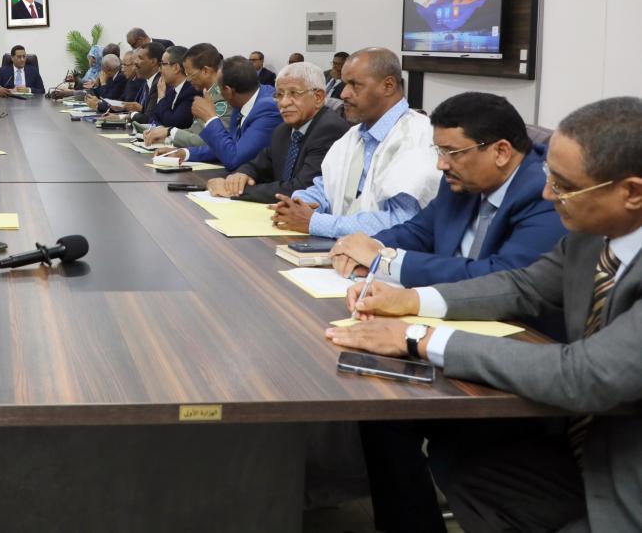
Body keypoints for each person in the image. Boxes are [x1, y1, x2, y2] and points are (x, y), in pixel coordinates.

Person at [326, 96, 642, 533]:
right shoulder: (592, 236)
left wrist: (419, 338)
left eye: (565, 186)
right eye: (550, 178)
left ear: (632, 193)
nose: (548, 194)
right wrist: (411, 301)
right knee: (456, 459)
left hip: (626, 472)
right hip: (577, 440)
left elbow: (584, 374)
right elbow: (523, 286)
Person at [329, 92, 567, 287]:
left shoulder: (547, 194)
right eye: (439, 152)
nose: (441, 165)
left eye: (452, 153)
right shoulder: (461, 181)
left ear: (501, 152)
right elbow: (419, 232)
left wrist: (386, 262)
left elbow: (501, 277)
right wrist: (365, 248)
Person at [272, 47, 439, 237]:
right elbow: (325, 188)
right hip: (342, 247)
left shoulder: (417, 137)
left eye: (354, 85)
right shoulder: (354, 136)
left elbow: (402, 221)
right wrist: (297, 204)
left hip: (384, 253)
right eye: (344, 84)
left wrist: (315, 222)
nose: (344, 94)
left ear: (388, 86)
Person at [208, 62, 348, 202]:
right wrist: (241, 175)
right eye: (279, 95)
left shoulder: (329, 129)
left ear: (318, 97)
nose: (284, 103)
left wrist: (236, 191)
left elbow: (302, 189)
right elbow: (258, 165)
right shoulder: (282, 130)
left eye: (294, 93)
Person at [156, 56, 282, 171]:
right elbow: (229, 145)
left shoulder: (268, 109)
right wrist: (185, 153)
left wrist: (210, 118)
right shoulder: (241, 101)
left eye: (219, 88)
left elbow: (234, 159)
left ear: (228, 90)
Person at [143, 42, 229, 149]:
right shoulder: (207, 92)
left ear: (205, 71)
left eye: (190, 74)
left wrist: (170, 132)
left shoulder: (223, 96)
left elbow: (214, 141)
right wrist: (166, 137)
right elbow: (194, 130)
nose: (187, 79)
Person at [150, 45, 200, 129]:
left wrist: (161, 98)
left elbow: (175, 123)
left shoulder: (192, 91)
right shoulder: (170, 89)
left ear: (176, 68)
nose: (159, 69)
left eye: (162, 64)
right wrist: (159, 128)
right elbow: (153, 117)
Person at [122, 41, 164, 122]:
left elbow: (147, 119)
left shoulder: (159, 83)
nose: (135, 62)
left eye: (140, 58)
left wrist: (131, 114)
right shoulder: (147, 81)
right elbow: (140, 110)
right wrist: (118, 117)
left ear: (153, 62)